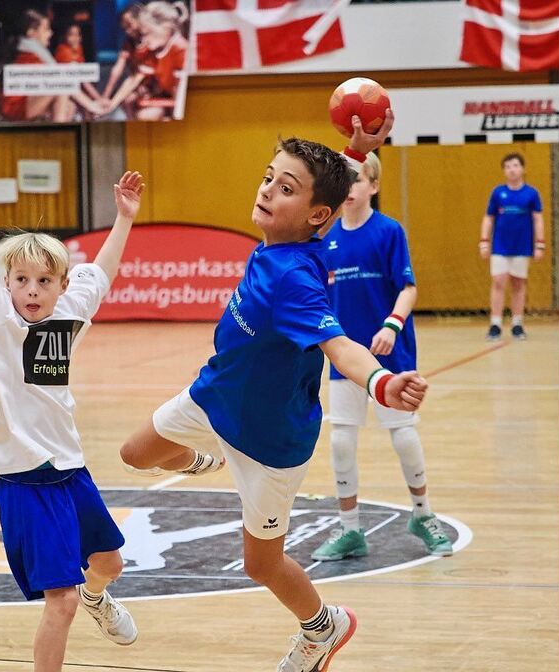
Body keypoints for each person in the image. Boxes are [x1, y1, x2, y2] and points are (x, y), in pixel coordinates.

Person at [120, 113, 430, 672]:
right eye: (268, 177)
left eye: (285, 188)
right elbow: (331, 202)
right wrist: (354, 151)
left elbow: (340, 347)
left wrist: (381, 382)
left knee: (261, 566)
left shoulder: (296, 279)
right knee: (135, 454)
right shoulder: (297, 237)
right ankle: (206, 460)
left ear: (314, 215)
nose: (267, 190)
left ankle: (323, 628)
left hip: (270, 443)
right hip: (213, 397)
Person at [0, 134, 144, 672]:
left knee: (109, 564)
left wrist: (124, 217)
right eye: (22, 281)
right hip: (24, 479)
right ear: (6, 283)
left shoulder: (69, 311)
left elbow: (102, 273)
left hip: (70, 469)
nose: (32, 291)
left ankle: (101, 598)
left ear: (59, 287)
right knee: (62, 601)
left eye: (43, 282)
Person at [310, 152, 453, 564]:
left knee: (404, 437)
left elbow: (408, 289)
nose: (350, 187)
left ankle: (423, 515)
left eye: (359, 180)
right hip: (345, 358)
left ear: (373, 186)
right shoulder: (327, 241)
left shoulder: (389, 232)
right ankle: (350, 529)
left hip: (393, 355)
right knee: (340, 441)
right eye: (345, 181)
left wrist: (392, 324)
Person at [478, 152, 545, 341]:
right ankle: (495, 323)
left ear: (522, 169)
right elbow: (489, 218)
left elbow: (538, 219)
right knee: (498, 282)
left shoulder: (531, 194)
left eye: (515, 165)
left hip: (522, 246)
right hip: (500, 246)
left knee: (518, 284)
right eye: (507, 166)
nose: (512, 170)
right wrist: (484, 241)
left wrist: (540, 244)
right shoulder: (498, 193)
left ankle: (517, 323)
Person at [0, 10, 106, 122]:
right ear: (31, 32)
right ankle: (59, 134)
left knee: (69, 105)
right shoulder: (30, 55)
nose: (50, 33)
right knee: (60, 86)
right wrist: (92, 105)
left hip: (27, 103)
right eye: (46, 30)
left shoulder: (34, 52)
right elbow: (63, 81)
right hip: (15, 108)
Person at [105, 1, 188, 120]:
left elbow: (181, 95)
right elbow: (135, 77)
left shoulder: (180, 50)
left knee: (146, 115)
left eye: (147, 34)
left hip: (176, 105)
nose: (144, 41)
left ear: (164, 28)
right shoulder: (155, 50)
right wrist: (111, 104)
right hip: (163, 97)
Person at [54, 23, 105, 109]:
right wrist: (99, 99)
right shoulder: (63, 51)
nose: (75, 38)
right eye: (71, 35)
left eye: (78, 35)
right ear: (65, 37)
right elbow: (82, 79)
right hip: (63, 91)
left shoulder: (78, 49)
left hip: (76, 90)